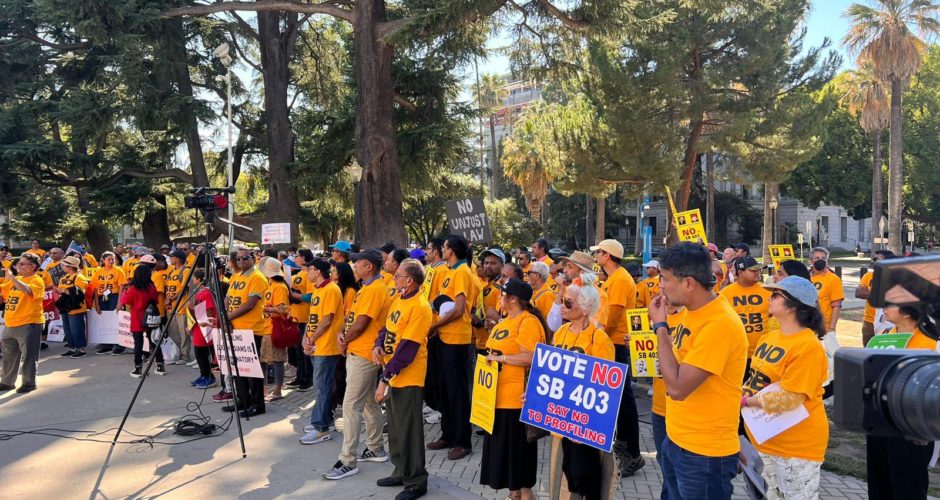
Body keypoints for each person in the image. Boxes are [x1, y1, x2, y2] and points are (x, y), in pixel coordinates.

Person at [650, 242, 747, 499]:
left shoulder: (719, 324)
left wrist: (660, 327)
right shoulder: (692, 312)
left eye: (666, 279)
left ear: (689, 283)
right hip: (678, 440)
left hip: (704, 454)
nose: (660, 285)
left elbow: (678, 388)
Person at [741, 276, 829, 500]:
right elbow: (756, 378)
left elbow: (791, 399)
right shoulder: (769, 337)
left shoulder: (808, 346)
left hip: (796, 446)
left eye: (776, 295)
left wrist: (745, 401)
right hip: (764, 437)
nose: (769, 298)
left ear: (794, 305)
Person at [325, 249, 390, 480]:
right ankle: (375, 446)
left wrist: (345, 340)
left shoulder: (375, 289)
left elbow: (362, 324)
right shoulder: (368, 287)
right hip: (360, 350)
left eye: (358, 263)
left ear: (369, 266)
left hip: (363, 353)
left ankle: (347, 460)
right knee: (368, 402)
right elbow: (355, 319)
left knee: (351, 405)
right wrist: (344, 336)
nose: (354, 267)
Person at [480, 278, 546, 500]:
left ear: (513, 299)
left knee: (520, 468)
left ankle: (524, 495)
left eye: (502, 294)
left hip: (516, 401)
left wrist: (503, 359)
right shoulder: (503, 322)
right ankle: (514, 495)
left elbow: (532, 357)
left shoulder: (528, 322)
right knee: (507, 467)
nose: (498, 297)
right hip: (495, 399)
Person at [373, 259, 433, 500]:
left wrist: (384, 379)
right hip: (393, 372)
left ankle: (417, 481)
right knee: (396, 428)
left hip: (408, 376)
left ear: (409, 281)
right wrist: (378, 345)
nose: (393, 277)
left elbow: (407, 349)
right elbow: (386, 328)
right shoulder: (400, 298)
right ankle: (400, 470)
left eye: (398, 275)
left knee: (409, 430)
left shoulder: (420, 306)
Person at [550, 282, 616, 499]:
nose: (562, 305)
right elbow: (550, 373)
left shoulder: (600, 340)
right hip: (560, 420)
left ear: (586, 308)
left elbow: (605, 390)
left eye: (568, 302)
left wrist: (586, 425)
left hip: (583, 426)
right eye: (562, 300)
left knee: (586, 481)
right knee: (569, 475)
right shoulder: (560, 332)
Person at [867, 303, 937, 499]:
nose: (883, 307)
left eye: (890, 304)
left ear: (908, 311)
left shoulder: (931, 343)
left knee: (908, 489)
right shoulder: (884, 336)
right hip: (879, 425)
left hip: (911, 429)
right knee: (879, 486)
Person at [590, 238, 643, 475]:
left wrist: (598, 337)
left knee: (623, 398)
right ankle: (624, 446)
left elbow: (613, 315)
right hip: (610, 342)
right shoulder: (613, 278)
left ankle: (632, 452)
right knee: (618, 398)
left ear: (606, 256)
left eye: (598, 253)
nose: (595, 257)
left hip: (616, 343)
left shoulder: (620, 279)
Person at [426, 235, 478, 461]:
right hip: (442, 336)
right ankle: (448, 433)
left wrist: (436, 324)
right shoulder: (445, 271)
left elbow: (458, 310)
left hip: (457, 338)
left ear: (452, 250)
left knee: (457, 391)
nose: (442, 250)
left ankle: (462, 441)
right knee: (444, 389)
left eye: (445, 247)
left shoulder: (463, 272)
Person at [298, 259, 345, 445]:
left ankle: (321, 428)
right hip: (316, 345)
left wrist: (311, 339)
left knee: (323, 386)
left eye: (308, 269)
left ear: (317, 271)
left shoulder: (331, 289)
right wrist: (306, 339)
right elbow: (313, 317)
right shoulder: (318, 289)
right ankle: (321, 420)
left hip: (326, 346)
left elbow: (327, 320)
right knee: (321, 386)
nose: (306, 272)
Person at [223, 247, 269, 418]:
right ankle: (244, 400)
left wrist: (228, 317)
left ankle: (258, 405)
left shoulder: (257, 277)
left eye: (245, 258)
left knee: (251, 371)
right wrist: (226, 315)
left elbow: (250, 304)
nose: (241, 261)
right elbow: (228, 297)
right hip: (235, 328)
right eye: (238, 259)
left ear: (253, 259)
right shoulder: (236, 275)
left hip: (251, 329)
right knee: (237, 368)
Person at [0, 254, 46, 393]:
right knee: (9, 355)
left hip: (29, 323)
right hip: (10, 322)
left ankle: (29, 383)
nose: (18, 266)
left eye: (22, 264)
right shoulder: (17, 279)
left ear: (32, 266)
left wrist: (12, 278)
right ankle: (7, 382)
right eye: (18, 264)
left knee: (29, 356)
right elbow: (3, 293)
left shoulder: (37, 280)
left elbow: (27, 290)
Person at [719, 256, 773, 363]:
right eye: (752, 270)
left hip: (764, 353)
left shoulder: (767, 291)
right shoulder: (725, 294)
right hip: (737, 354)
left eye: (758, 269)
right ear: (740, 272)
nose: (757, 272)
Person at [120, 264, 166, 377]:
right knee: (154, 341)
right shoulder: (152, 287)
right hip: (150, 316)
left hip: (137, 316)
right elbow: (156, 301)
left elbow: (127, 303)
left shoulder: (133, 288)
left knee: (138, 344)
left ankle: (138, 368)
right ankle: (160, 366)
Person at [259, 257, 290, 402]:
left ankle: (277, 390)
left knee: (277, 360)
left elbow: (282, 309)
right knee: (263, 360)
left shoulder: (280, 287)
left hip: (275, 327)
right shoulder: (270, 285)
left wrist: (264, 308)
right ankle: (264, 388)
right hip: (265, 326)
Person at [287, 248, 315, 391]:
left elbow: (312, 296)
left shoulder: (309, 274)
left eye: (296, 256)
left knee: (304, 349)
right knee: (297, 349)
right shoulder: (298, 274)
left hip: (305, 317)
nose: (295, 258)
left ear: (303, 258)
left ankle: (307, 379)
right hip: (295, 316)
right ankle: (300, 376)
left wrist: (297, 296)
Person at [188, 269, 218, 389]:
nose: (193, 280)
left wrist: (193, 307)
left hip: (204, 325)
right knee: (199, 353)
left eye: (194, 277)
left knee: (201, 353)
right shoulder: (200, 292)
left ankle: (209, 377)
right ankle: (203, 374)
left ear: (200, 279)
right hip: (199, 324)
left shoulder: (205, 293)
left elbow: (209, 310)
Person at [857, 250, 893, 346]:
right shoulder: (868, 276)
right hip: (868, 320)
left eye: (877, 259)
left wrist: (869, 294)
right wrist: (878, 296)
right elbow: (859, 293)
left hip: (888, 321)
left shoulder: (894, 277)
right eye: (874, 259)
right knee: (867, 349)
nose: (874, 261)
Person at [57, 255, 90, 358]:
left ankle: (81, 349)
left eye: (64, 265)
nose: (62, 266)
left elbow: (80, 293)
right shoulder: (64, 277)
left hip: (76, 306)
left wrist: (63, 290)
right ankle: (72, 348)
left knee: (76, 328)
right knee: (67, 328)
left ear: (70, 267)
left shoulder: (79, 277)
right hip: (65, 305)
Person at [165, 250, 193, 364]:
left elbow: (184, 288)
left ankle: (185, 355)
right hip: (171, 307)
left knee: (183, 333)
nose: (170, 259)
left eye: (172, 257)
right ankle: (176, 354)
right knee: (174, 333)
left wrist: (171, 298)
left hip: (181, 306)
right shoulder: (172, 271)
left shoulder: (185, 271)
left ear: (178, 258)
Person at [809, 247, 844, 333]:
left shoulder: (833, 279)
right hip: (806, 326)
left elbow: (836, 305)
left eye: (823, 258)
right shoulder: (806, 277)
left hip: (824, 327)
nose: (820, 260)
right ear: (810, 260)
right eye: (817, 258)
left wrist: (832, 328)